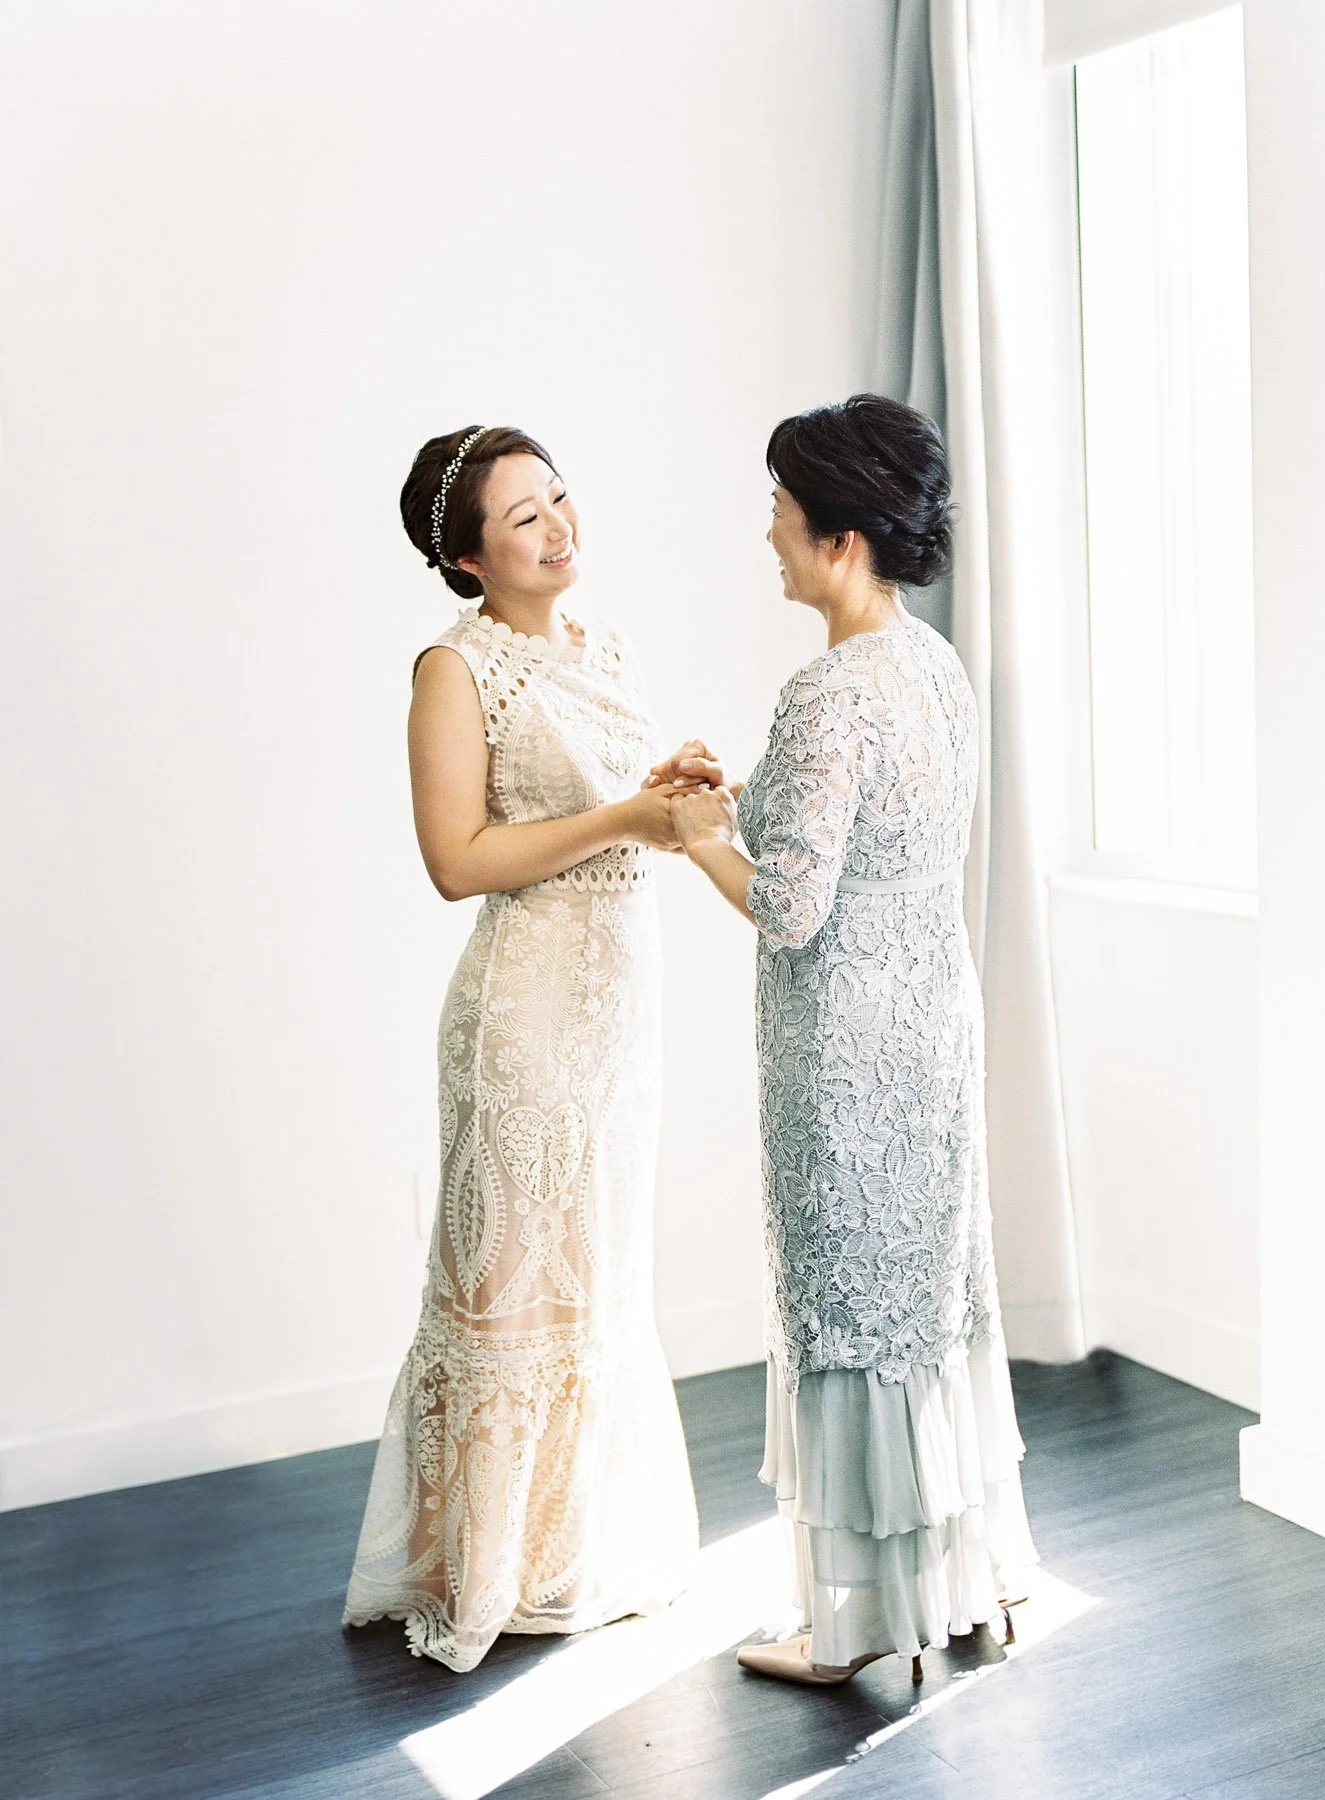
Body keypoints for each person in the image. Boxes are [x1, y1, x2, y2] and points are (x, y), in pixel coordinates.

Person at [660, 394, 1037, 1685]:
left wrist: (707, 839)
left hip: (848, 1051)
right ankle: (967, 1581)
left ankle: (854, 1624)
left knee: (848, 1311)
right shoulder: (932, 665)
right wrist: (742, 790)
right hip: (934, 1020)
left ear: (842, 537)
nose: (767, 532)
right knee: (927, 1302)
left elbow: (789, 904)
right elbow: (872, 830)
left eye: (780, 509)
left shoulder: (829, 688)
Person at [343, 425, 699, 1672]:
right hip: (526, 1011)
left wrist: (682, 801)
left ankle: (573, 1550)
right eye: (523, 518)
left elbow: (642, 817)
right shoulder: (454, 669)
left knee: (596, 1274)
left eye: (559, 499)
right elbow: (457, 862)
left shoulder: (608, 649)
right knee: (515, 1282)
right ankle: (479, 1568)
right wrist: (626, 815)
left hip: (620, 1008)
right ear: (464, 557)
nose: (559, 528)